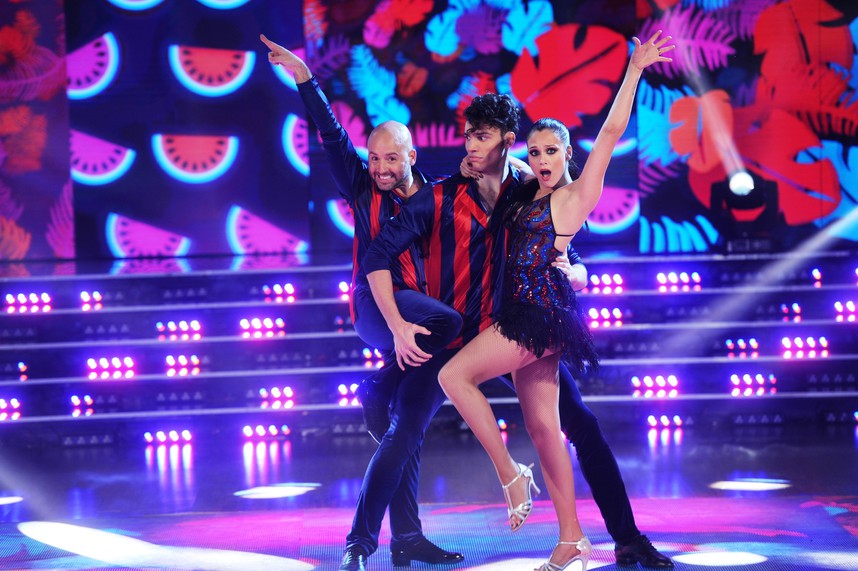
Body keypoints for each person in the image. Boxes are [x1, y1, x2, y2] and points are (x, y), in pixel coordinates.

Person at [364, 42, 676, 571]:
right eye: (536, 152)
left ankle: (609, 529)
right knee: (536, 428)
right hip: (488, 324)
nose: (542, 160)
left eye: (550, 151)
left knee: (564, 420)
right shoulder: (489, 191)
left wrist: (633, 71)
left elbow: (602, 150)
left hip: (531, 322)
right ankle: (568, 538)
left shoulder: (550, 192)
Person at [260, 34, 465, 570]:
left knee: (405, 431)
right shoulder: (360, 186)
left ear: (411, 156)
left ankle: (401, 539)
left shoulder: (437, 197)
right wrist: (306, 79)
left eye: (390, 158)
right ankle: (380, 382)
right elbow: (331, 134)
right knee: (450, 323)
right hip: (377, 311)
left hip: (417, 322)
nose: (379, 167)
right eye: (374, 158)